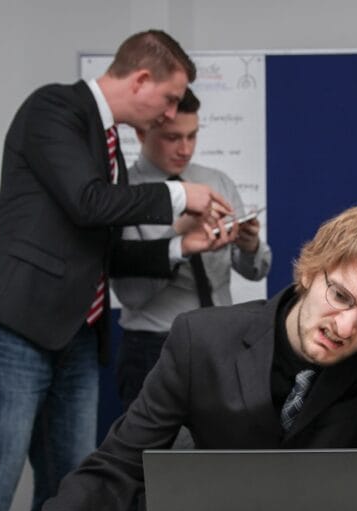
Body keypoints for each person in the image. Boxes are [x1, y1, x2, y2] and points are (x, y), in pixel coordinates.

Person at [0, 205, 357, 511]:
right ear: (311, 271)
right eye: (341, 296)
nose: (346, 327)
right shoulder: (202, 339)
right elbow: (122, 459)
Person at [0, 30, 235, 511]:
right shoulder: (53, 109)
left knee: (67, 499)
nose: (170, 114)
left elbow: (106, 250)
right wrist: (183, 196)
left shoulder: (108, 148)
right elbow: (88, 203)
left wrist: (181, 246)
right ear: (142, 79)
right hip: (12, 326)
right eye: (168, 99)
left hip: (77, 336)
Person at [112, 87, 272, 414]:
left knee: (227, 452)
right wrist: (178, 238)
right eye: (172, 137)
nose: (185, 148)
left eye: (192, 136)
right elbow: (131, 296)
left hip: (224, 340)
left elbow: (257, 270)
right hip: (154, 346)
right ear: (142, 132)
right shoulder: (124, 194)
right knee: (153, 458)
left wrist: (249, 244)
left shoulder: (216, 181)